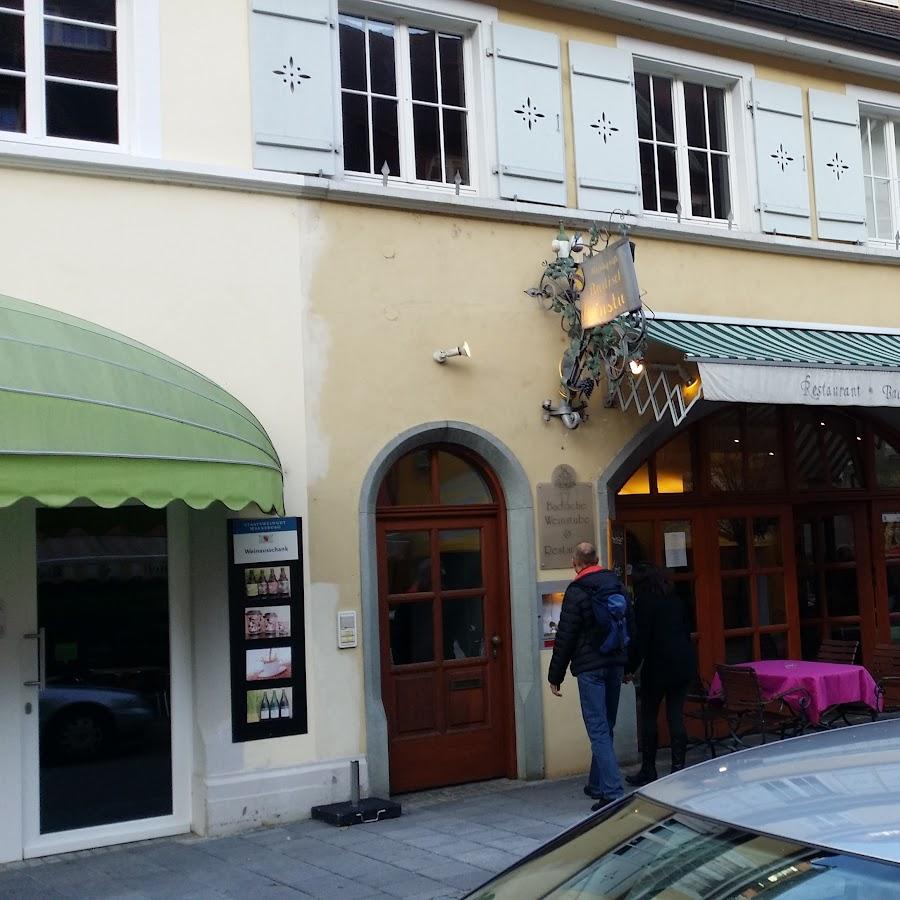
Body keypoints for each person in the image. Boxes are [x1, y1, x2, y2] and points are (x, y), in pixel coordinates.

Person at [548, 541, 633, 809]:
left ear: (575, 563)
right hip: (615, 662)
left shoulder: (576, 591)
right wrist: (629, 666)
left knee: (598, 728)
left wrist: (555, 676)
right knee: (606, 725)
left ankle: (612, 792)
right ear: (596, 560)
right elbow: (631, 624)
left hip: (590, 668)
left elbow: (566, 635)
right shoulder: (616, 584)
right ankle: (597, 784)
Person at [624, 562, 698, 786]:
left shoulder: (644, 602)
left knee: (649, 716)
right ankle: (678, 768)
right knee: (675, 714)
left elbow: (640, 641)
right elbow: (686, 630)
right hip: (682, 663)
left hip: (658, 666)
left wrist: (629, 668)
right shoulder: (675, 600)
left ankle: (649, 769)